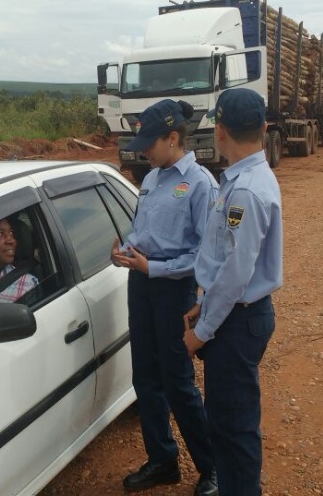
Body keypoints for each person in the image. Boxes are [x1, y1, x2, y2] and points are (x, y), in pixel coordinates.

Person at [112, 99, 220, 496]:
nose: (143, 150)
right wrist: (124, 249)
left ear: (172, 138)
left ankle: (212, 468)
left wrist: (153, 268)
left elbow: (204, 255)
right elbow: (142, 232)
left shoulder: (201, 185)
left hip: (173, 289)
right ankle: (163, 461)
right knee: (146, 378)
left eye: (149, 142)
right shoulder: (154, 177)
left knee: (178, 382)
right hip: (140, 284)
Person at [182, 88, 283, 496]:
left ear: (219, 131)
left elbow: (236, 273)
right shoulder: (246, 178)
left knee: (234, 427)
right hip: (234, 313)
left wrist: (201, 331)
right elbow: (228, 262)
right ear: (262, 127)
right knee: (226, 420)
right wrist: (203, 305)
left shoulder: (245, 190)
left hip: (238, 320)